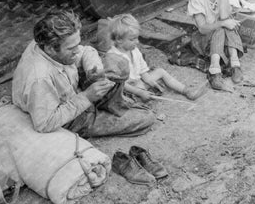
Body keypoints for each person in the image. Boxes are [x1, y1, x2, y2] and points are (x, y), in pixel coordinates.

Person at [12, 9, 155, 138]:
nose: (77, 51)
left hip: (74, 94)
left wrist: (94, 70)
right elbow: (45, 123)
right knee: (146, 117)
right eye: (71, 48)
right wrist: (86, 97)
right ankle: (101, 110)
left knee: (118, 63)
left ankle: (108, 103)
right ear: (50, 49)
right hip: (69, 119)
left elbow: (86, 51)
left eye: (77, 44)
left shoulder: (46, 42)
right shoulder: (40, 78)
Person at [105, 13, 207, 102]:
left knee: (160, 71)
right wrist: (139, 91)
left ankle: (186, 90)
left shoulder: (134, 50)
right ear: (119, 40)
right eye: (132, 39)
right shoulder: (113, 57)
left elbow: (143, 72)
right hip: (125, 88)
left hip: (138, 82)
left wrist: (152, 83)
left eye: (137, 38)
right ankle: (139, 98)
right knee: (137, 88)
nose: (137, 42)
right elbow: (120, 84)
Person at [187, 0, 244, 90]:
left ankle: (227, 67)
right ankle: (219, 70)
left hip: (226, 44)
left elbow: (224, 15)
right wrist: (222, 23)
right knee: (222, 26)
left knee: (228, 25)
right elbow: (202, 28)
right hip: (204, 40)